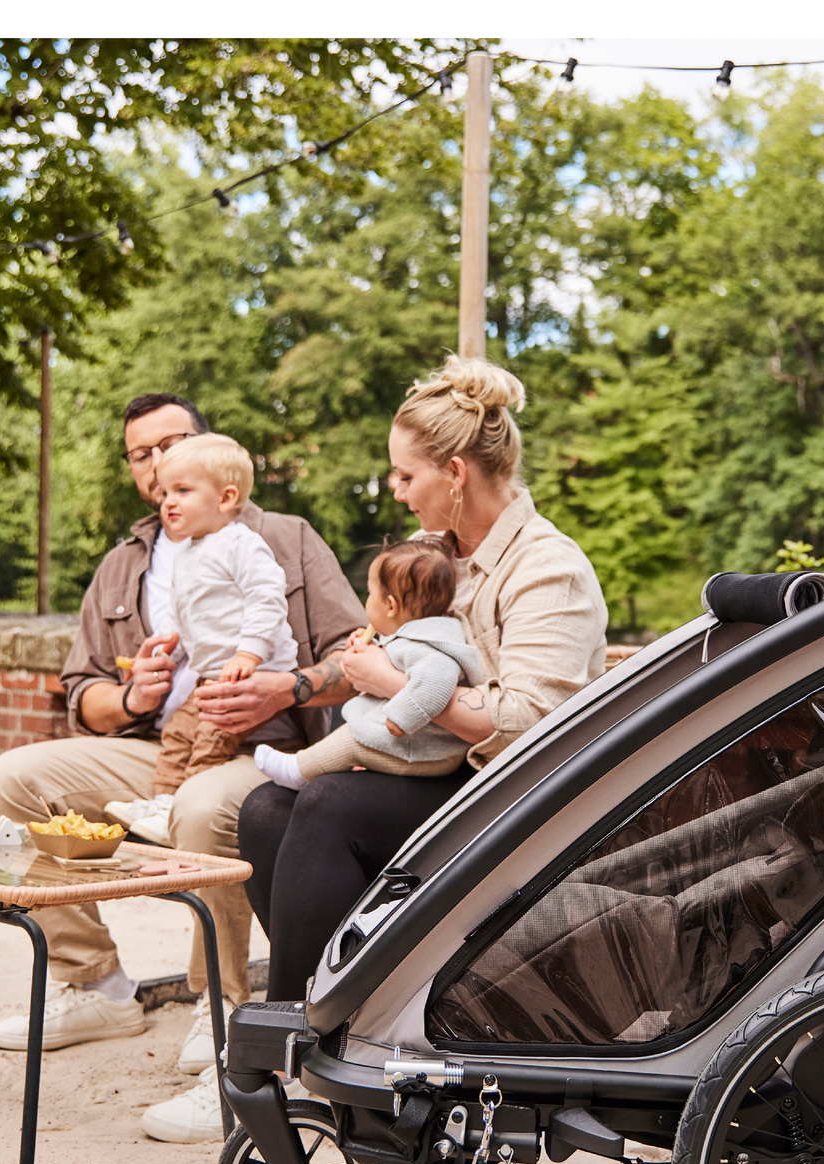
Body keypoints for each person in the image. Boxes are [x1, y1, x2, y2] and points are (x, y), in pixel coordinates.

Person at [0, 393, 365, 1142]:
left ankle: (218, 1006)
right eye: (140, 454)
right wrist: (131, 695)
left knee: (201, 807)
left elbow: (356, 658)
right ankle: (97, 985)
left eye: (172, 445)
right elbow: (81, 693)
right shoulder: (125, 565)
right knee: (8, 781)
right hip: (158, 745)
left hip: (266, 747)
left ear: (210, 457)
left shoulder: (281, 538)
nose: (156, 464)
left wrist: (282, 687)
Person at [231, 355, 608, 1046]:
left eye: (406, 476)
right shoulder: (433, 554)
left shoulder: (547, 567)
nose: (397, 492)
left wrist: (399, 689)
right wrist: (322, 680)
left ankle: (293, 1043)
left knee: (326, 804)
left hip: (509, 798)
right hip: (428, 768)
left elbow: (526, 723)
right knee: (264, 811)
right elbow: (380, 655)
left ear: (455, 473)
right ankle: (341, 1021)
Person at [108, 434, 299, 842]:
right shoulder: (188, 553)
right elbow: (184, 612)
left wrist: (248, 654)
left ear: (227, 498)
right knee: (178, 734)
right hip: (210, 676)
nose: (168, 502)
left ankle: (179, 808)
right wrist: (165, 646)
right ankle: (163, 804)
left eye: (182, 491)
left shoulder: (241, 544)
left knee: (209, 742)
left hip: (249, 675)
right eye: (164, 493)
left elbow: (267, 598)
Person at [253, 535, 479, 790]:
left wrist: (401, 718)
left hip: (424, 750)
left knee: (351, 739)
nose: (366, 601)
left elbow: (436, 682)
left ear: (390, 606)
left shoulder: (430, 645)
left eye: (371, 594)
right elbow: (398, 661)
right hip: (418, 743)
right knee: (354, 734)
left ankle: (298, 770)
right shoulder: (417, 635)